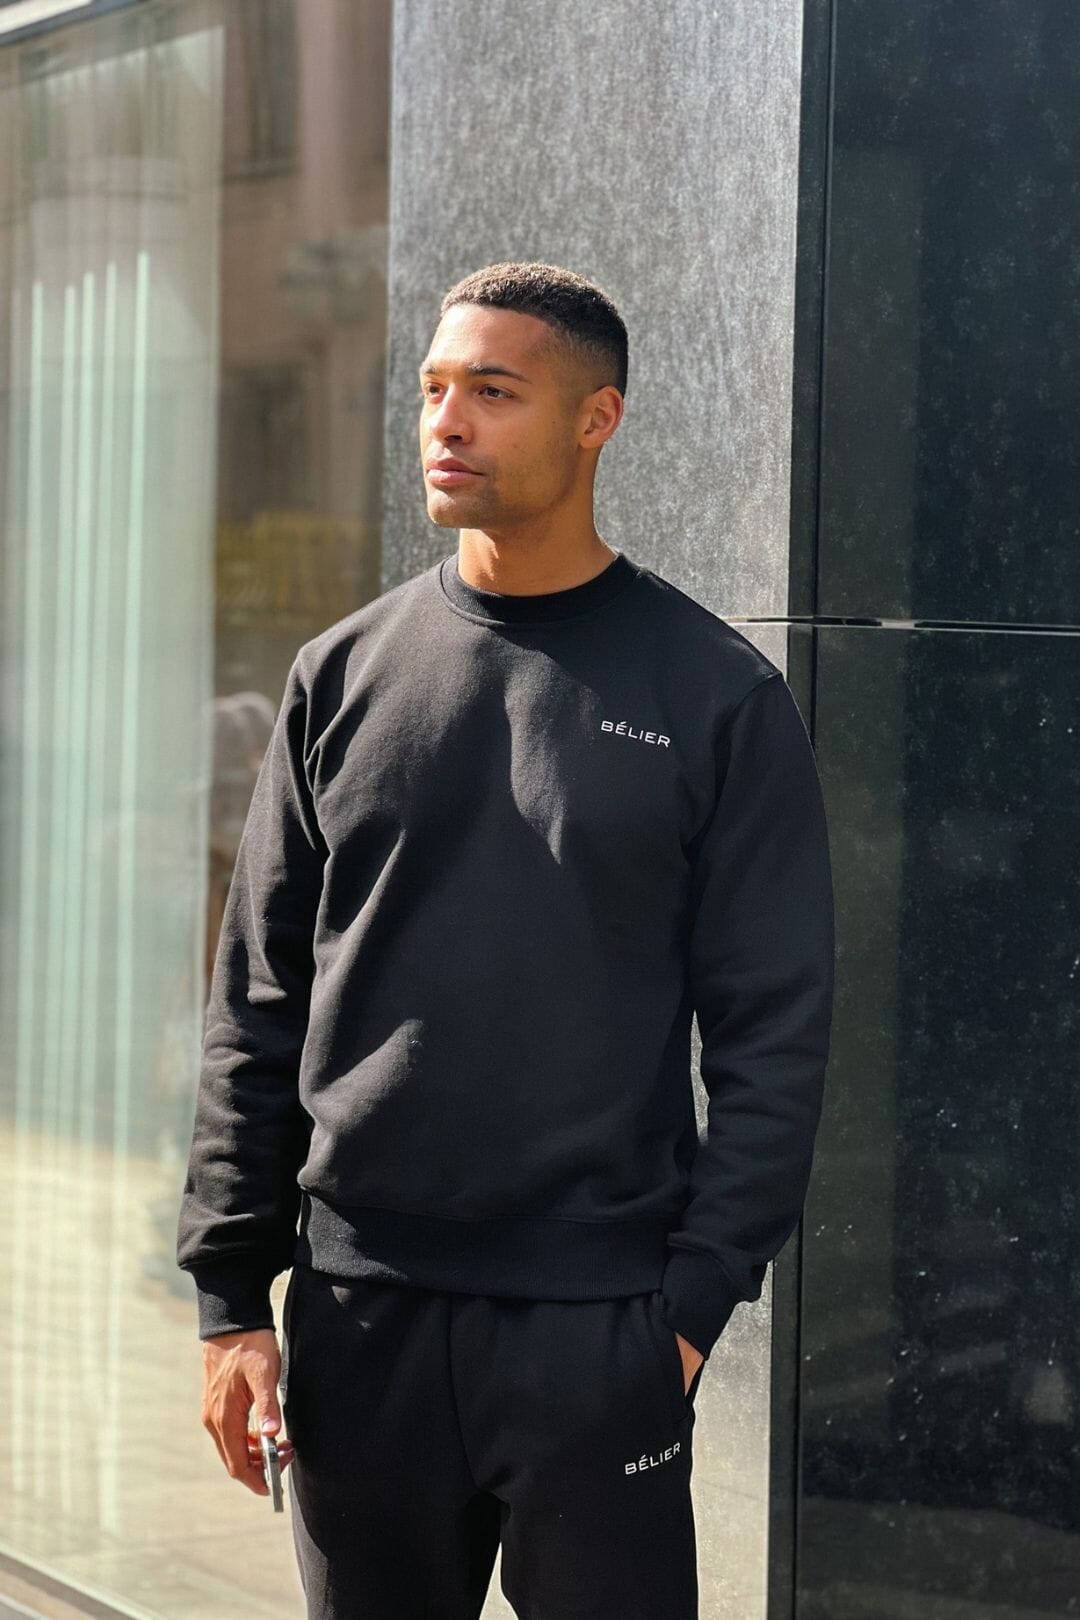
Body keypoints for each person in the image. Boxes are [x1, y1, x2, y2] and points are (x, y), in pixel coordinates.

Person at [176, 260, 835, 1619]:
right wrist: (231, 1298)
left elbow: (775, 1032)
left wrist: (690, 1311)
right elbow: (258, 1002)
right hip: (359, 1316)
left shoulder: (717, 695)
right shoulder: (342, 674)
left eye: (492, 390)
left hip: (599, 1327)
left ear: (597, 418)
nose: (446, 422)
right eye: (433, 389)